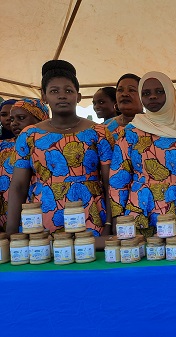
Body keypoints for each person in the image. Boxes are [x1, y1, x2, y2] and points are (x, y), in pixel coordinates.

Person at [6, 60, 114, 237]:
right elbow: (18, 186)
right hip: (42, 223)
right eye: (54, 91)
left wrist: (110, 224)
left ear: (78, 97)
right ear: (44, 96)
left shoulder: (99, 132)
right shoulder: (29, 135)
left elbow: (110, 183)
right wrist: (11, 232)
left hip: (92, 220)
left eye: (68, 91)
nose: (62, 96)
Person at [109, 71, 176, 239]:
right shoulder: (131, 131)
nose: (152, 97)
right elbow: (119, 175)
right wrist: (117, 217)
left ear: (170, 93)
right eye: (146, 93)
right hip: (140, 211)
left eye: (159, 91)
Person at [0, 99, 50, 230]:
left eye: (21, 118)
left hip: (36, 211)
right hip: (6, 213)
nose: (14, 123)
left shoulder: (48, 147)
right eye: (12, 119)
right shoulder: (2, 146)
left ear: (40, 118)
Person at [104, 74, 144, 140]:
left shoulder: (154, 126)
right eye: (120, 90)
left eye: (131, 90)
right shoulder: (105, 126)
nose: (124, 94)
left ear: (143, 96)